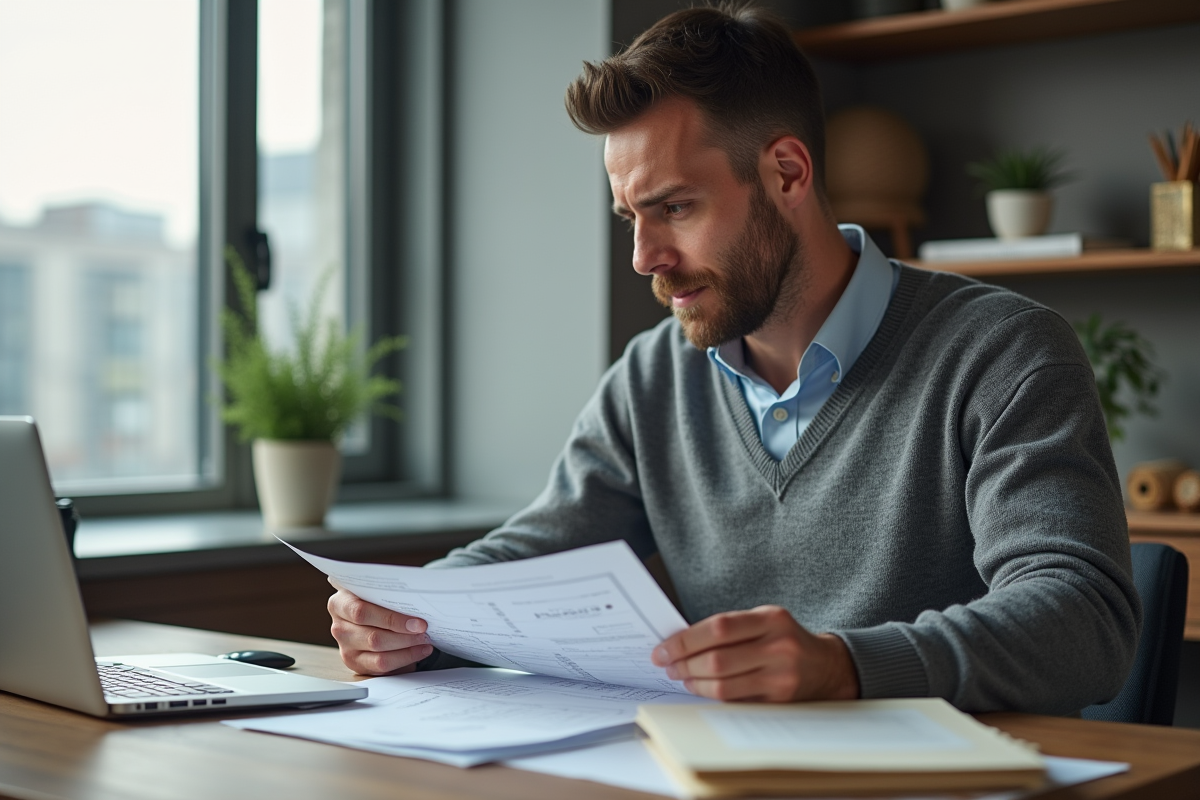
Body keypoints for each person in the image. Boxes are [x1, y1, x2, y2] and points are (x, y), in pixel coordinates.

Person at [328, 4, 1139, 713]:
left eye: (675, 207)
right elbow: (533, 554)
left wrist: (845, 666)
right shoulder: (653, 378)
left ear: (787, 172)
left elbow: (1085, 621)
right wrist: (408, 614)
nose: (644, 257)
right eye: (630, 218)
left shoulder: (1002, 352)